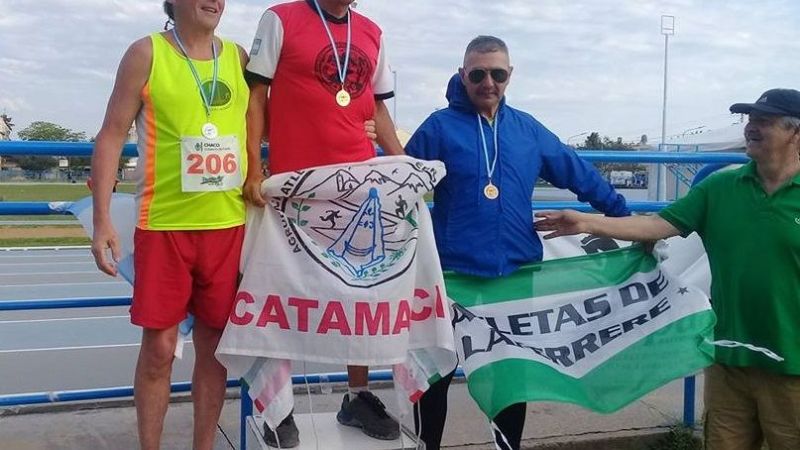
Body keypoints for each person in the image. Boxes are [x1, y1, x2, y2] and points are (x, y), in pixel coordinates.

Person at [535, 88, 800, 450]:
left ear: (796, 132)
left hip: (793, 370)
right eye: (749, 120)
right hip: (728, 359)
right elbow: (658, 225)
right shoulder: (721, 187)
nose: (751, 128)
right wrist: (586, 222)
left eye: (764, 121)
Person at [404, 35, 630, 450]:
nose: (487, 82)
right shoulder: (438, 128)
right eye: (477, 74)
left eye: (497, 73)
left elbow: (578, 172)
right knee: (434, 378)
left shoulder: (527, 129)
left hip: (516, 277)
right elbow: (402, 186)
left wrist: (623, 218)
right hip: (450, 277)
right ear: (462, 75)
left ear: (511, 75)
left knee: (512, 378)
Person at [242, 0, 405, 445]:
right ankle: (279, 408)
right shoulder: (281, 19)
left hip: (356, 184)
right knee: (282, 293)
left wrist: (402, 166)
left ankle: (357, 397)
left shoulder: (372, 31)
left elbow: (380, 112)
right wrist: (254, 168)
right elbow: (256, 98)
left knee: (360, 292)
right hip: (292, 186)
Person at [90, 1, 249, 449]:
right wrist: (102, 216)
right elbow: (112, 133)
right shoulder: (146, 53)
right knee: (159, 351)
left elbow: (274, 123)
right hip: (164, 227)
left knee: (216, 350)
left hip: (227, 227)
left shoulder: (238, 58)